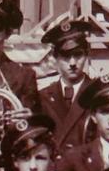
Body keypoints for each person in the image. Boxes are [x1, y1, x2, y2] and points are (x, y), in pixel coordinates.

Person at [39, 17, 96, 154]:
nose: (72, 63)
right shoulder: (43, 97)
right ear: (55, 57)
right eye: (65, 56)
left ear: (87, 53)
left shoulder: (97, 93)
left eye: (78, 55)